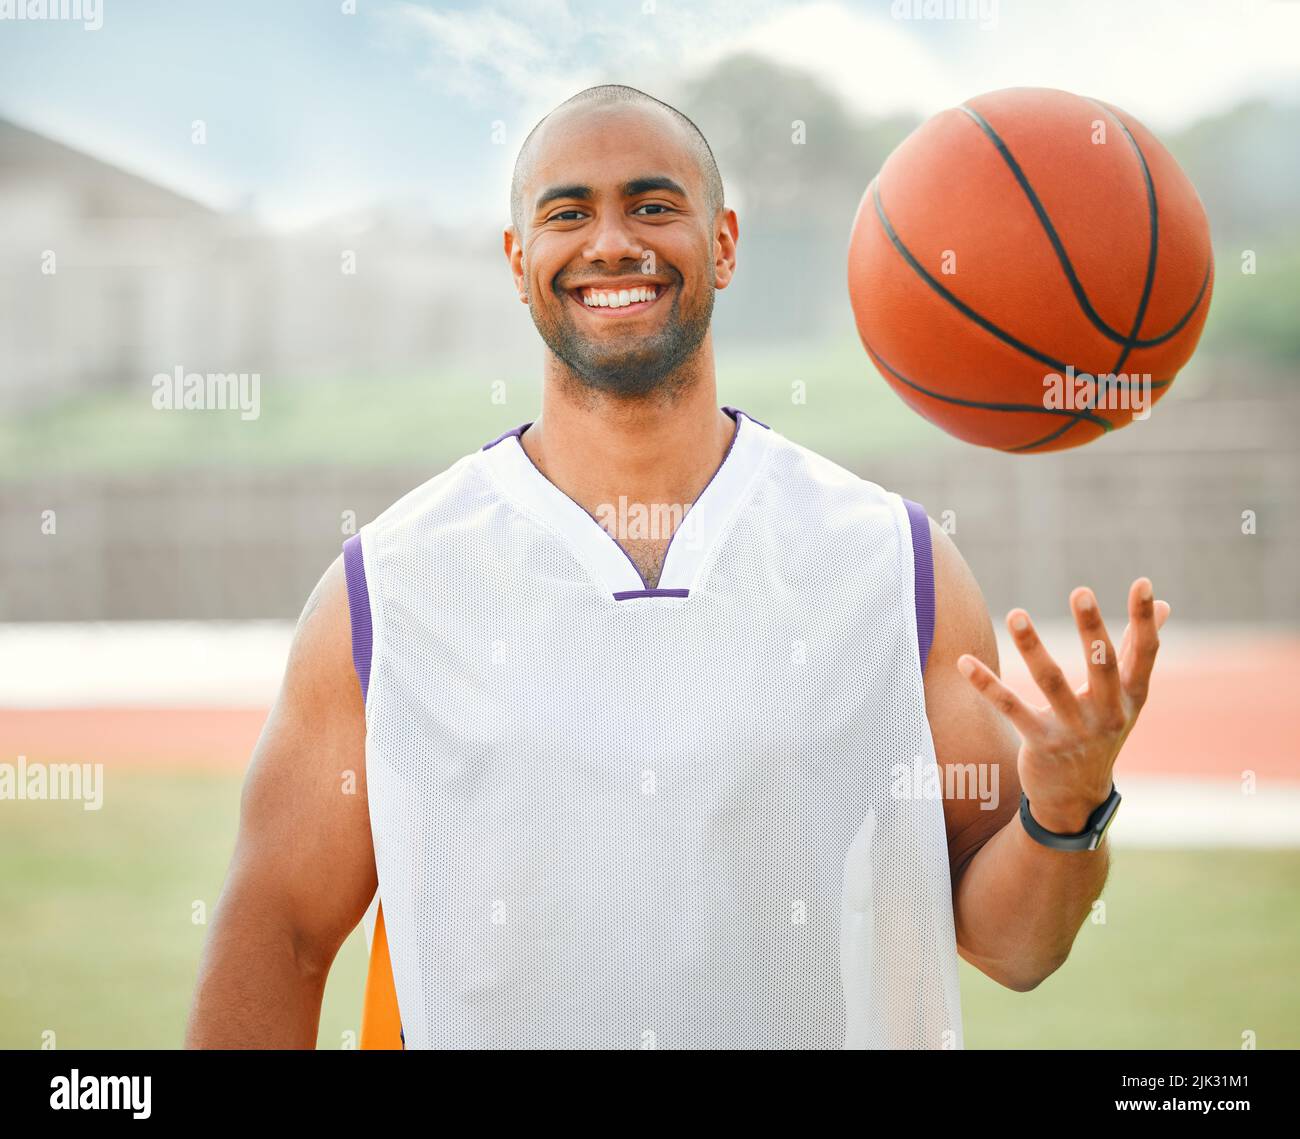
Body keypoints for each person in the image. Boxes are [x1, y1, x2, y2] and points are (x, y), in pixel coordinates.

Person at [185, 85, 1169, 1050]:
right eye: (568, 213)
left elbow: (1012, 944)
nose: (612, 241)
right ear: (518, 257)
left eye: (654, 205)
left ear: (725, 243)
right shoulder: (386, 589)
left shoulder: (891, 562)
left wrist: (1065, 807)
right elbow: (280, 930)